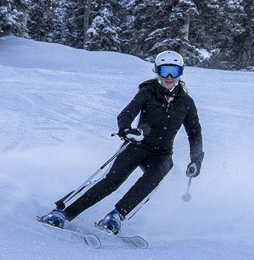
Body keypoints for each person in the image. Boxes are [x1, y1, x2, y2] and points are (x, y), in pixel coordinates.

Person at [41, 51, 204, 234]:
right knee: (111, 181)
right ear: (157, 71)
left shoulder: (187, 103)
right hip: (137, 145)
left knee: (154, 178)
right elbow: (126, 114)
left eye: (173, 71)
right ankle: (63, 212)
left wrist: (196, 160)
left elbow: (195, 133)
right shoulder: (147, 93)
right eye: (164, 70)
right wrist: (126, 130)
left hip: (162, 154)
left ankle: (116, 216)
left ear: (180, 73)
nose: (169, 77)